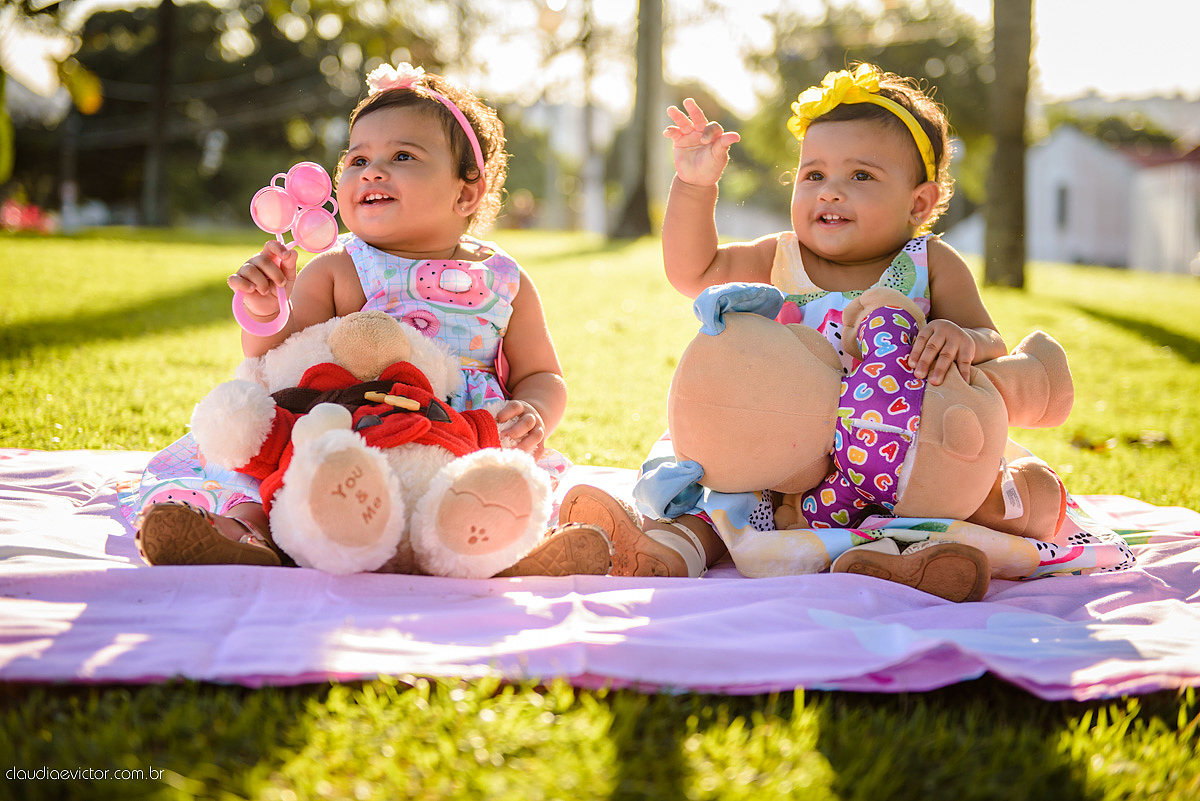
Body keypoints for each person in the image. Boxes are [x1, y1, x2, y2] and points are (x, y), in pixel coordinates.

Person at [130, 63, 605, 576]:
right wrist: (268, 307)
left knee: (511, 483)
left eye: (402, 156)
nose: (372, 171)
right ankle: (247, 533)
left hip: (462, 432)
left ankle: (510, 547)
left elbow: (542, 374)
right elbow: (274, 362)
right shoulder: (340, 266)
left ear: (465, 193)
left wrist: (533, 411)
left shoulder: (503, 279)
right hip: (348, 424)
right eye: (357, 159)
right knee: (264, 461)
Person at [562, 64, 1004, 597]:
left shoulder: (930, 262)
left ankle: (894, 561)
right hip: (779, 452)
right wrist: (695, 184)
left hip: (886, 453)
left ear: (919, 203)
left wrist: (960, 337)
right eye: (813, 175)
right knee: (726, 488)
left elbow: (990, 339)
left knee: (945, 499)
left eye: (860, 176)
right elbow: (692, 271)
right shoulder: (780, 255)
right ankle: (673, 548)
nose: (831, 193)